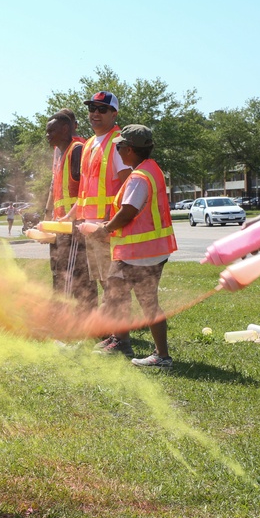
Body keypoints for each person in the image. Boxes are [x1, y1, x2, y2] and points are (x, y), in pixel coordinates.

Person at [81, 125, 177, 366]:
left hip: (138, 252)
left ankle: (124, 344)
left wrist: (105, 229)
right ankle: (146, 350)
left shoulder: (137, 178)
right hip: (150, 250)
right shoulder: (151, 169)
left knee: (120, 296)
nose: (118, 149)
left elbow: (129, 212)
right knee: (137, 297)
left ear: (131, 150)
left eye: (120, 146)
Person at [58, 91, 132, 352]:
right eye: (91, 108)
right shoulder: (90, 144)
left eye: (102, 109)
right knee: (104, 281)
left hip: (108, 226)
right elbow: (86, 192)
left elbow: (127, 183)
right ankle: (113, 335)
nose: (95, 113)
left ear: (114, 114)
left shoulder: (118, 143)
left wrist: (111, 222)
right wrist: (70, 216)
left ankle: (122, 341)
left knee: (115, 284)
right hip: (91, 227)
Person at [43, 111, 96, 313]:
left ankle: (85, 319)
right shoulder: (58, 153)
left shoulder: (78, 150)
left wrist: (72, 218)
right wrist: (46, 221)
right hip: (61, 227)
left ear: (65, 129)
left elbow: (87, 190)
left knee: (77, 275)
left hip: (75, 228)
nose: (47, 135)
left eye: (51, 131)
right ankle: (64, 317)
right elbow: (53, 190)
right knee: (59, 272)